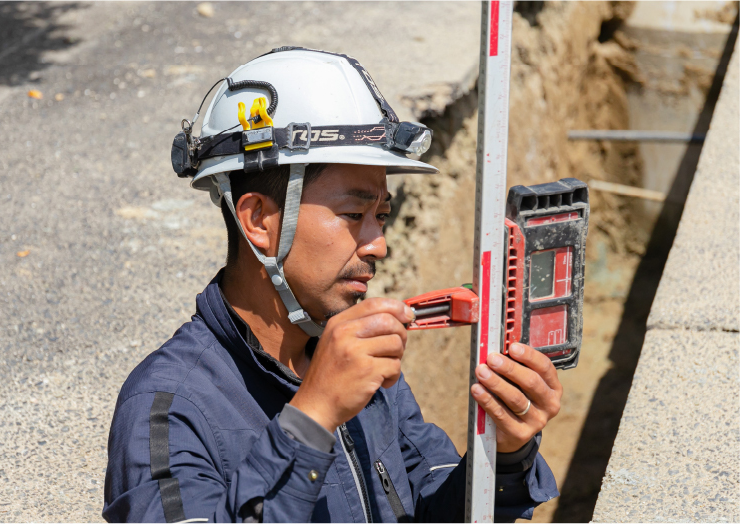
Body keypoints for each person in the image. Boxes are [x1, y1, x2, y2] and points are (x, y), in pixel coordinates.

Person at [103, 48, 561, 523]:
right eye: (353, 215)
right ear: (259, 220)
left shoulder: (357, 361)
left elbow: (432, 504)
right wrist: (311, 418)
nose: (378, 244)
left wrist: (504, 458)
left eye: (381, 216)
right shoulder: (168, 409)